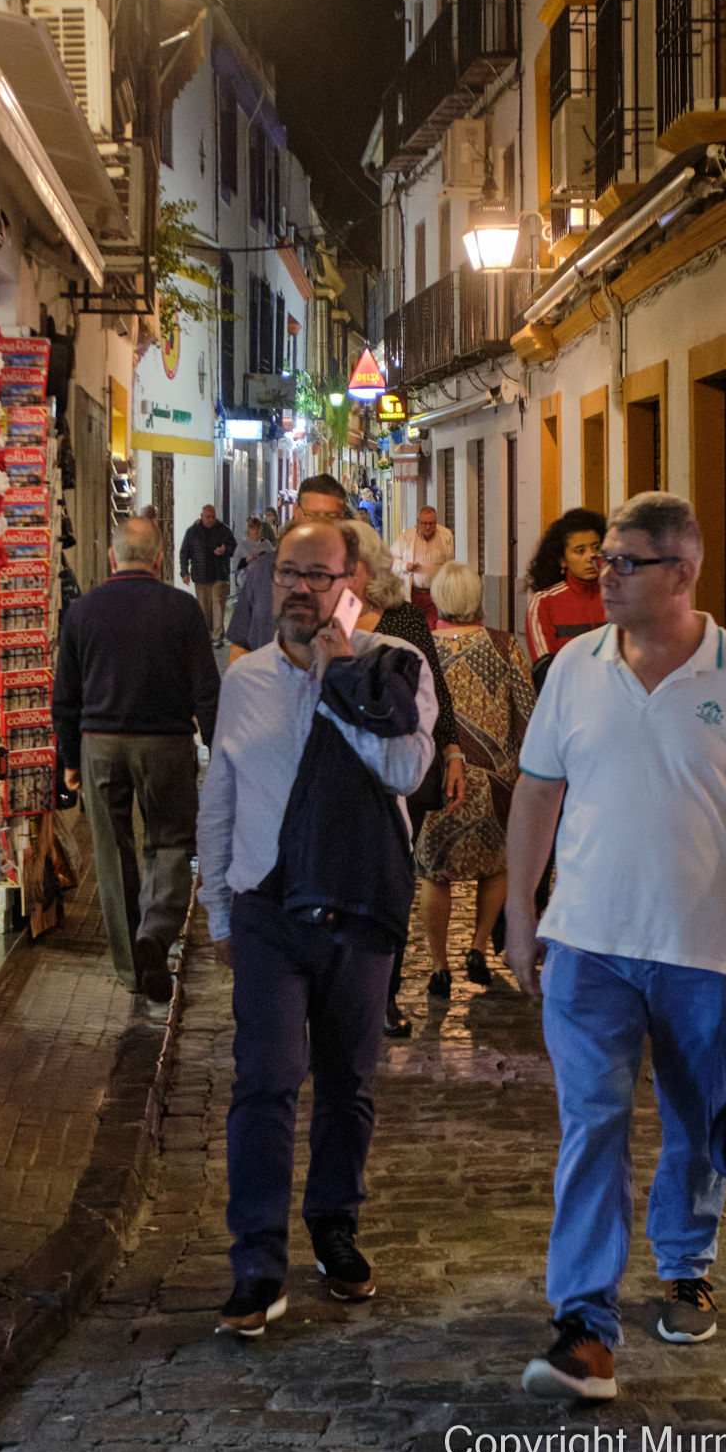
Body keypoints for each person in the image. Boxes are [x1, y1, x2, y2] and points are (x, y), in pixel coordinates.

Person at [506, 492, 726, 1402]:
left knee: (692, 1121)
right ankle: (585, 1327)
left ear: (683, 572)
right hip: (588, 947)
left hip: (704, 947)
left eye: (627, 562)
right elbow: (535, 793)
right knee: (591, 1126)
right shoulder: (573, 667)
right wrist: (525, 915)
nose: (604, 574)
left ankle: (686, 1261)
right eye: (603, 559)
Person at [198, 517, 438, 1336]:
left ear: (352, 583)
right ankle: (256, 1264)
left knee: (347, 1081)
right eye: (286, 575)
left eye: (316, 575)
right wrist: (218, 909)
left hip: (357, 905)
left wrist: (341, 683)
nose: (297, 589)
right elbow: (220, 797)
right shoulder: (246, 680)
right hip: (267, 907)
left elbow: (407, 770)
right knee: (264, 1078)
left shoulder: (392, 668)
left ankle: (335, 1227)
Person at [53, 517, 220, 1005]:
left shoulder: (82, 613)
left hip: (100, 744)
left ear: (112, 557)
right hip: (166, 745)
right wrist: (214, 743)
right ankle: (156, 931)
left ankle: (130, 967)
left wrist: (68, 758)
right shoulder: (183, 610)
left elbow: (65, 696)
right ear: (160, 558)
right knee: (170, 843)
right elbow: (206, 691)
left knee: (113, 852)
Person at [343, 521, 467, 1036]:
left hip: (402, 766)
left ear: (367, 569)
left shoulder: (405, 620)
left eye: (343, 564)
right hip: (344, 767)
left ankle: (385, 994)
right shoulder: (329, 618)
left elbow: (435, 685)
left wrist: (454, 750)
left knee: (394, 875)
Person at [415, 561, 535, 999]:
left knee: (435, 870)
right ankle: (479, 947)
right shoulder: (505, 647)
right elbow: (527, 712)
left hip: (441, 776)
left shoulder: (422, 648)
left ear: (439, 598)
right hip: (496, 778)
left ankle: (439, 966)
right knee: (496, 864)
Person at [226, 474, 347, 661]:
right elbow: (240, 646)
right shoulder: (262, 570)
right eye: (313, 515)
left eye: (331, 517)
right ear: (297, 512)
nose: (321, 525)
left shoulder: (351, 575)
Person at [525, 506, 608, 691]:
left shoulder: (618, 596)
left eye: (596, 548)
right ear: (562, 560)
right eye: (580, 551)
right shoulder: (544, 602)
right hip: (568, 702)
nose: (591, 556)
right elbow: (544, 668)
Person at [179, 503, 239, 647]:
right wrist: (184, 572)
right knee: (204, 608)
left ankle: (218, 635)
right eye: (208, 517)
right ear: (202, 516)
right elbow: (184, 553)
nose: (211, 520)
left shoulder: (223, 530)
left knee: (217, 604)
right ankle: (206, 635)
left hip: (219, 575)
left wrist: (225, 550)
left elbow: (234, 547)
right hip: (201, 575)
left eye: (213, 517)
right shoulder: (192, 532)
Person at [391, 505, 454, 627]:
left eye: (432, 523)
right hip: (413, 594)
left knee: (433, 628)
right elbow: (390, 562)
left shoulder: (446, 536)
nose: (428, 527)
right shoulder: (405, 538)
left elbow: (449, 562)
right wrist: (405, 566)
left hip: (434, 594)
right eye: (424, 523)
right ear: (418, 523)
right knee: (413, 627)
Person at [232, 517, 268, 587]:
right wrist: (247, 560)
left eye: (258, 529)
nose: (256, 531)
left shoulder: (266, 544)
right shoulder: (242, 545)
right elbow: (235, 566)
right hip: (246, 580)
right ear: (249, 530)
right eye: (253, 529)